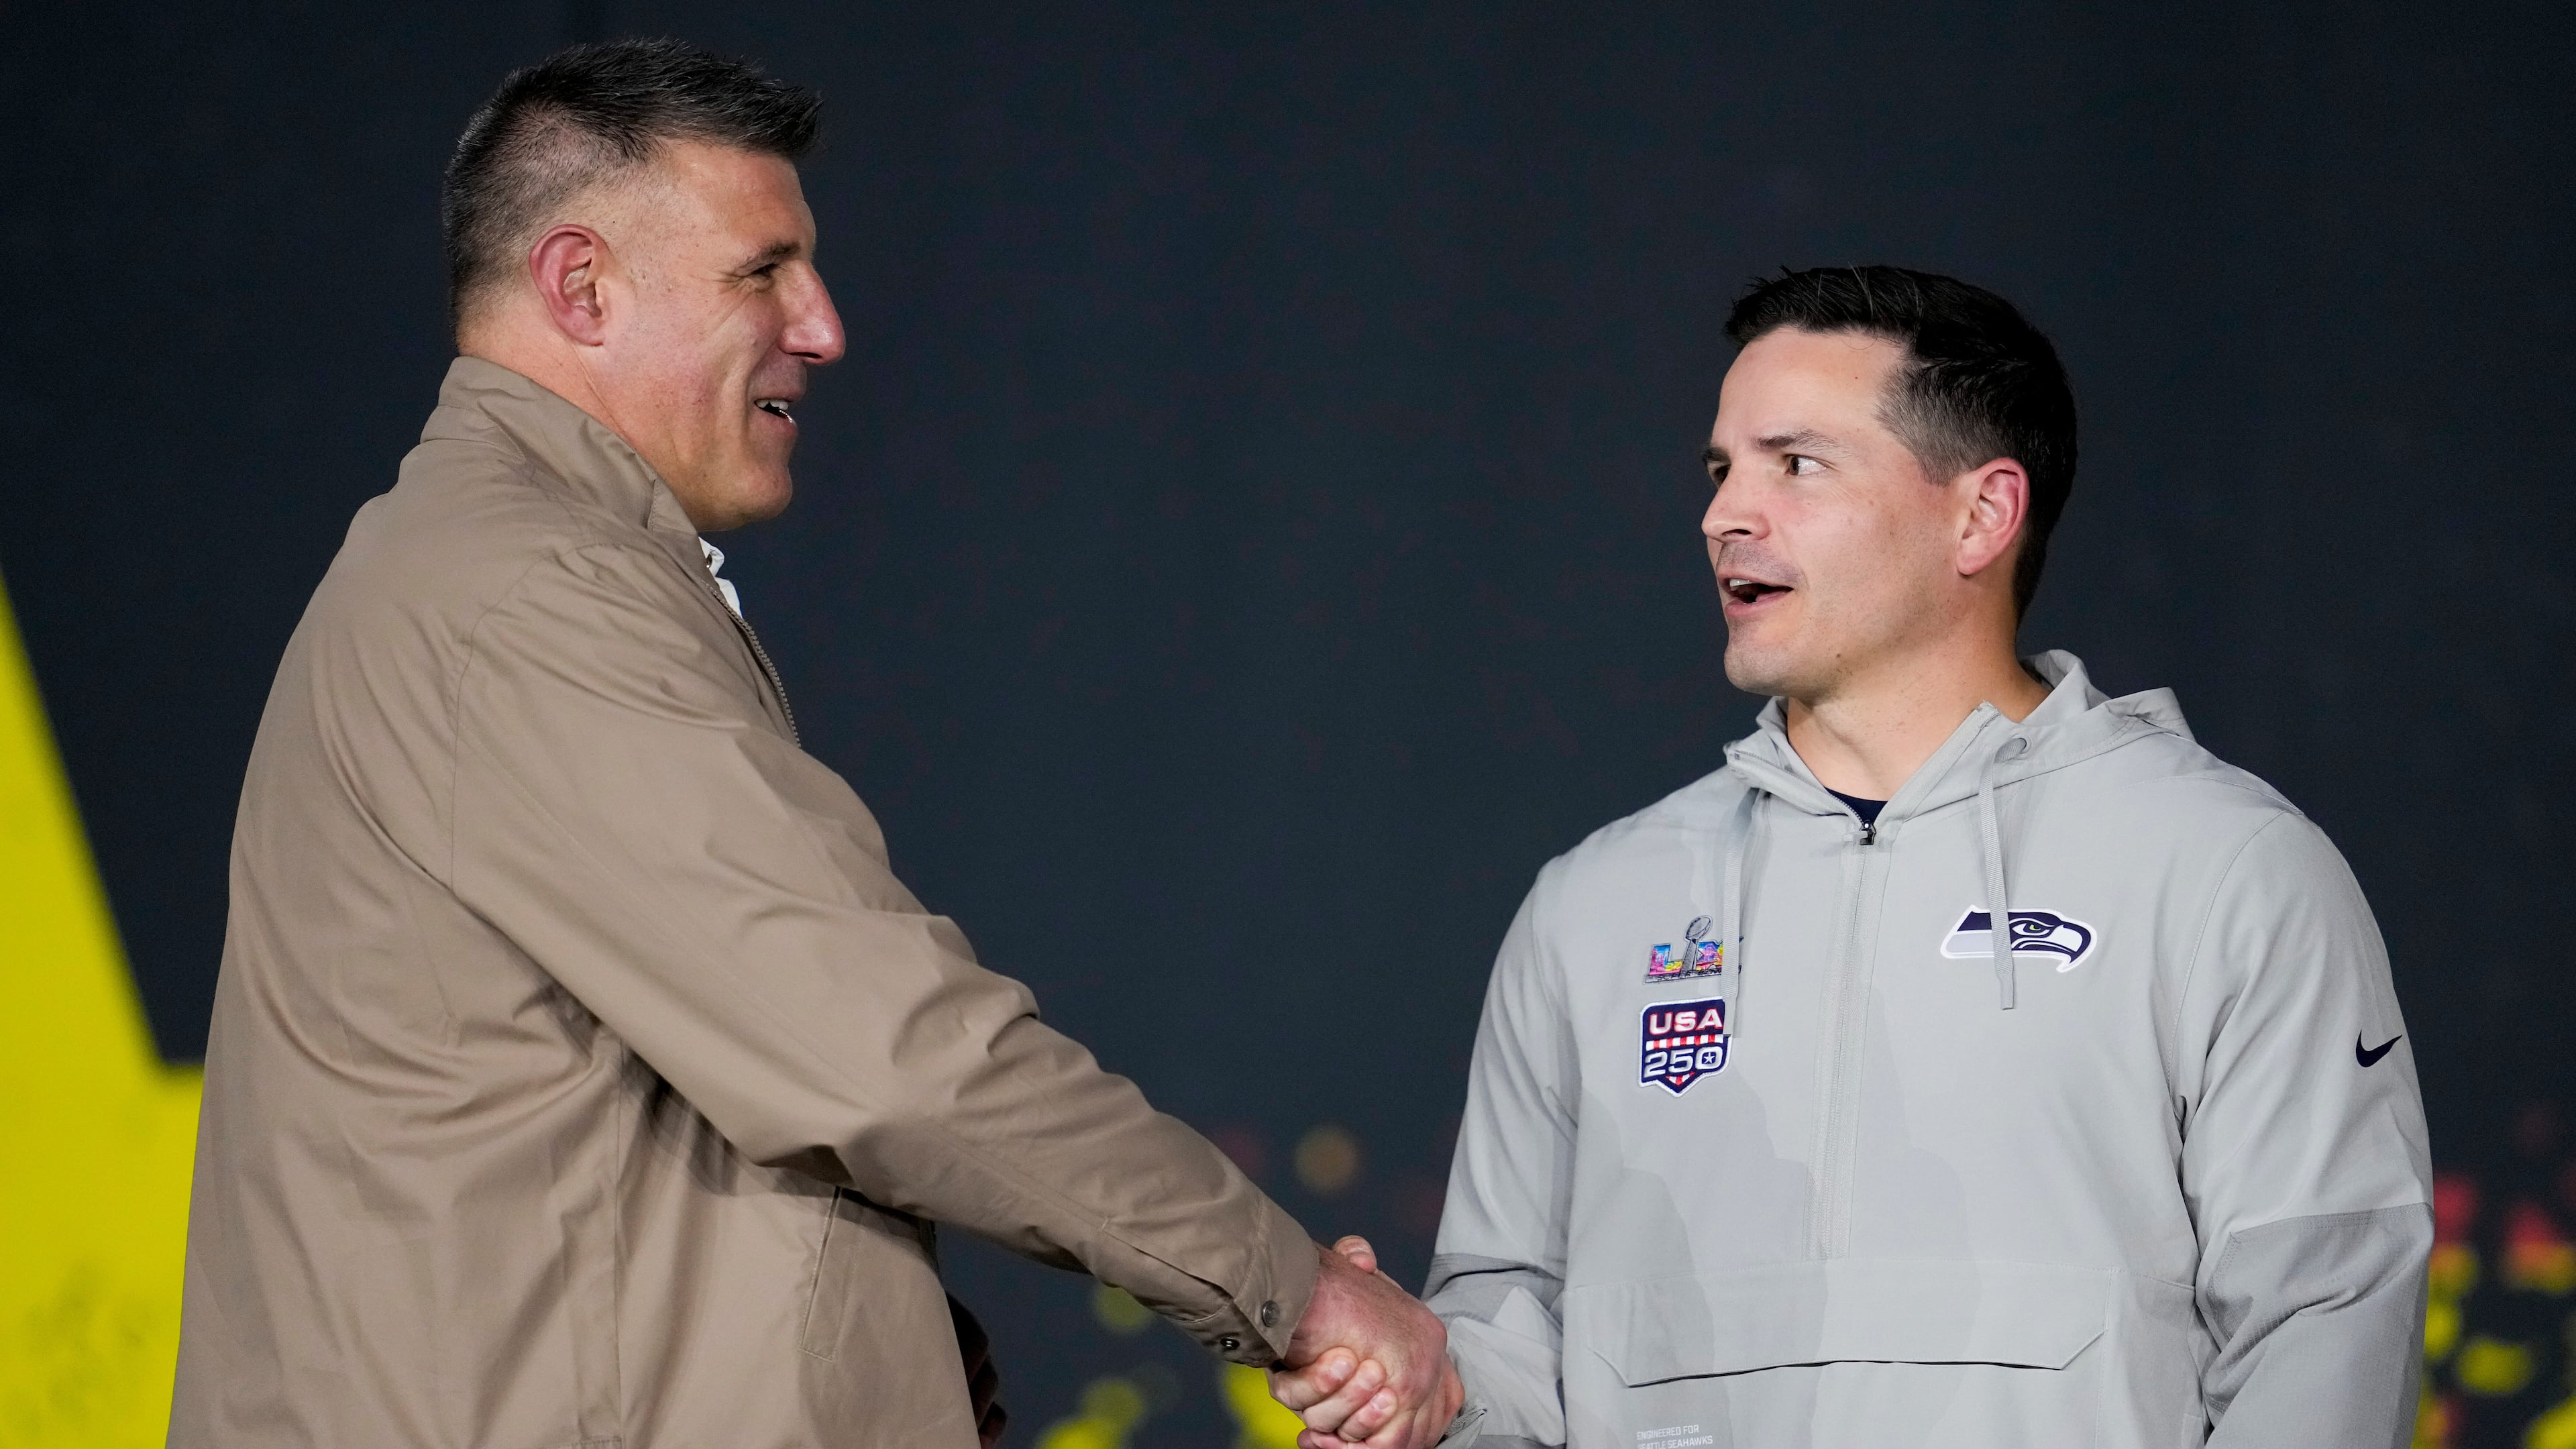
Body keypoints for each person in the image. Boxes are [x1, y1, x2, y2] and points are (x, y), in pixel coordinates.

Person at [169, 40, 1457, 1448]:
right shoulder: (530, 597)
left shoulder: (491, 568)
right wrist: (1296, 1296)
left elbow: (669, 1122)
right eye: (761, 272)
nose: (825, 325)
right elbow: (887, 1061)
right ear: (581, 287)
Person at [1275, 266, 2432, 1448]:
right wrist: (1441, 1389)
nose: (1726, 513)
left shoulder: (2228, 869)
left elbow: (2322, 1332)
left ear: (1981, 515)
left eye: (1796, 463)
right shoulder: (1594, 907)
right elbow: (1516, 1339)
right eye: (1721, 469)